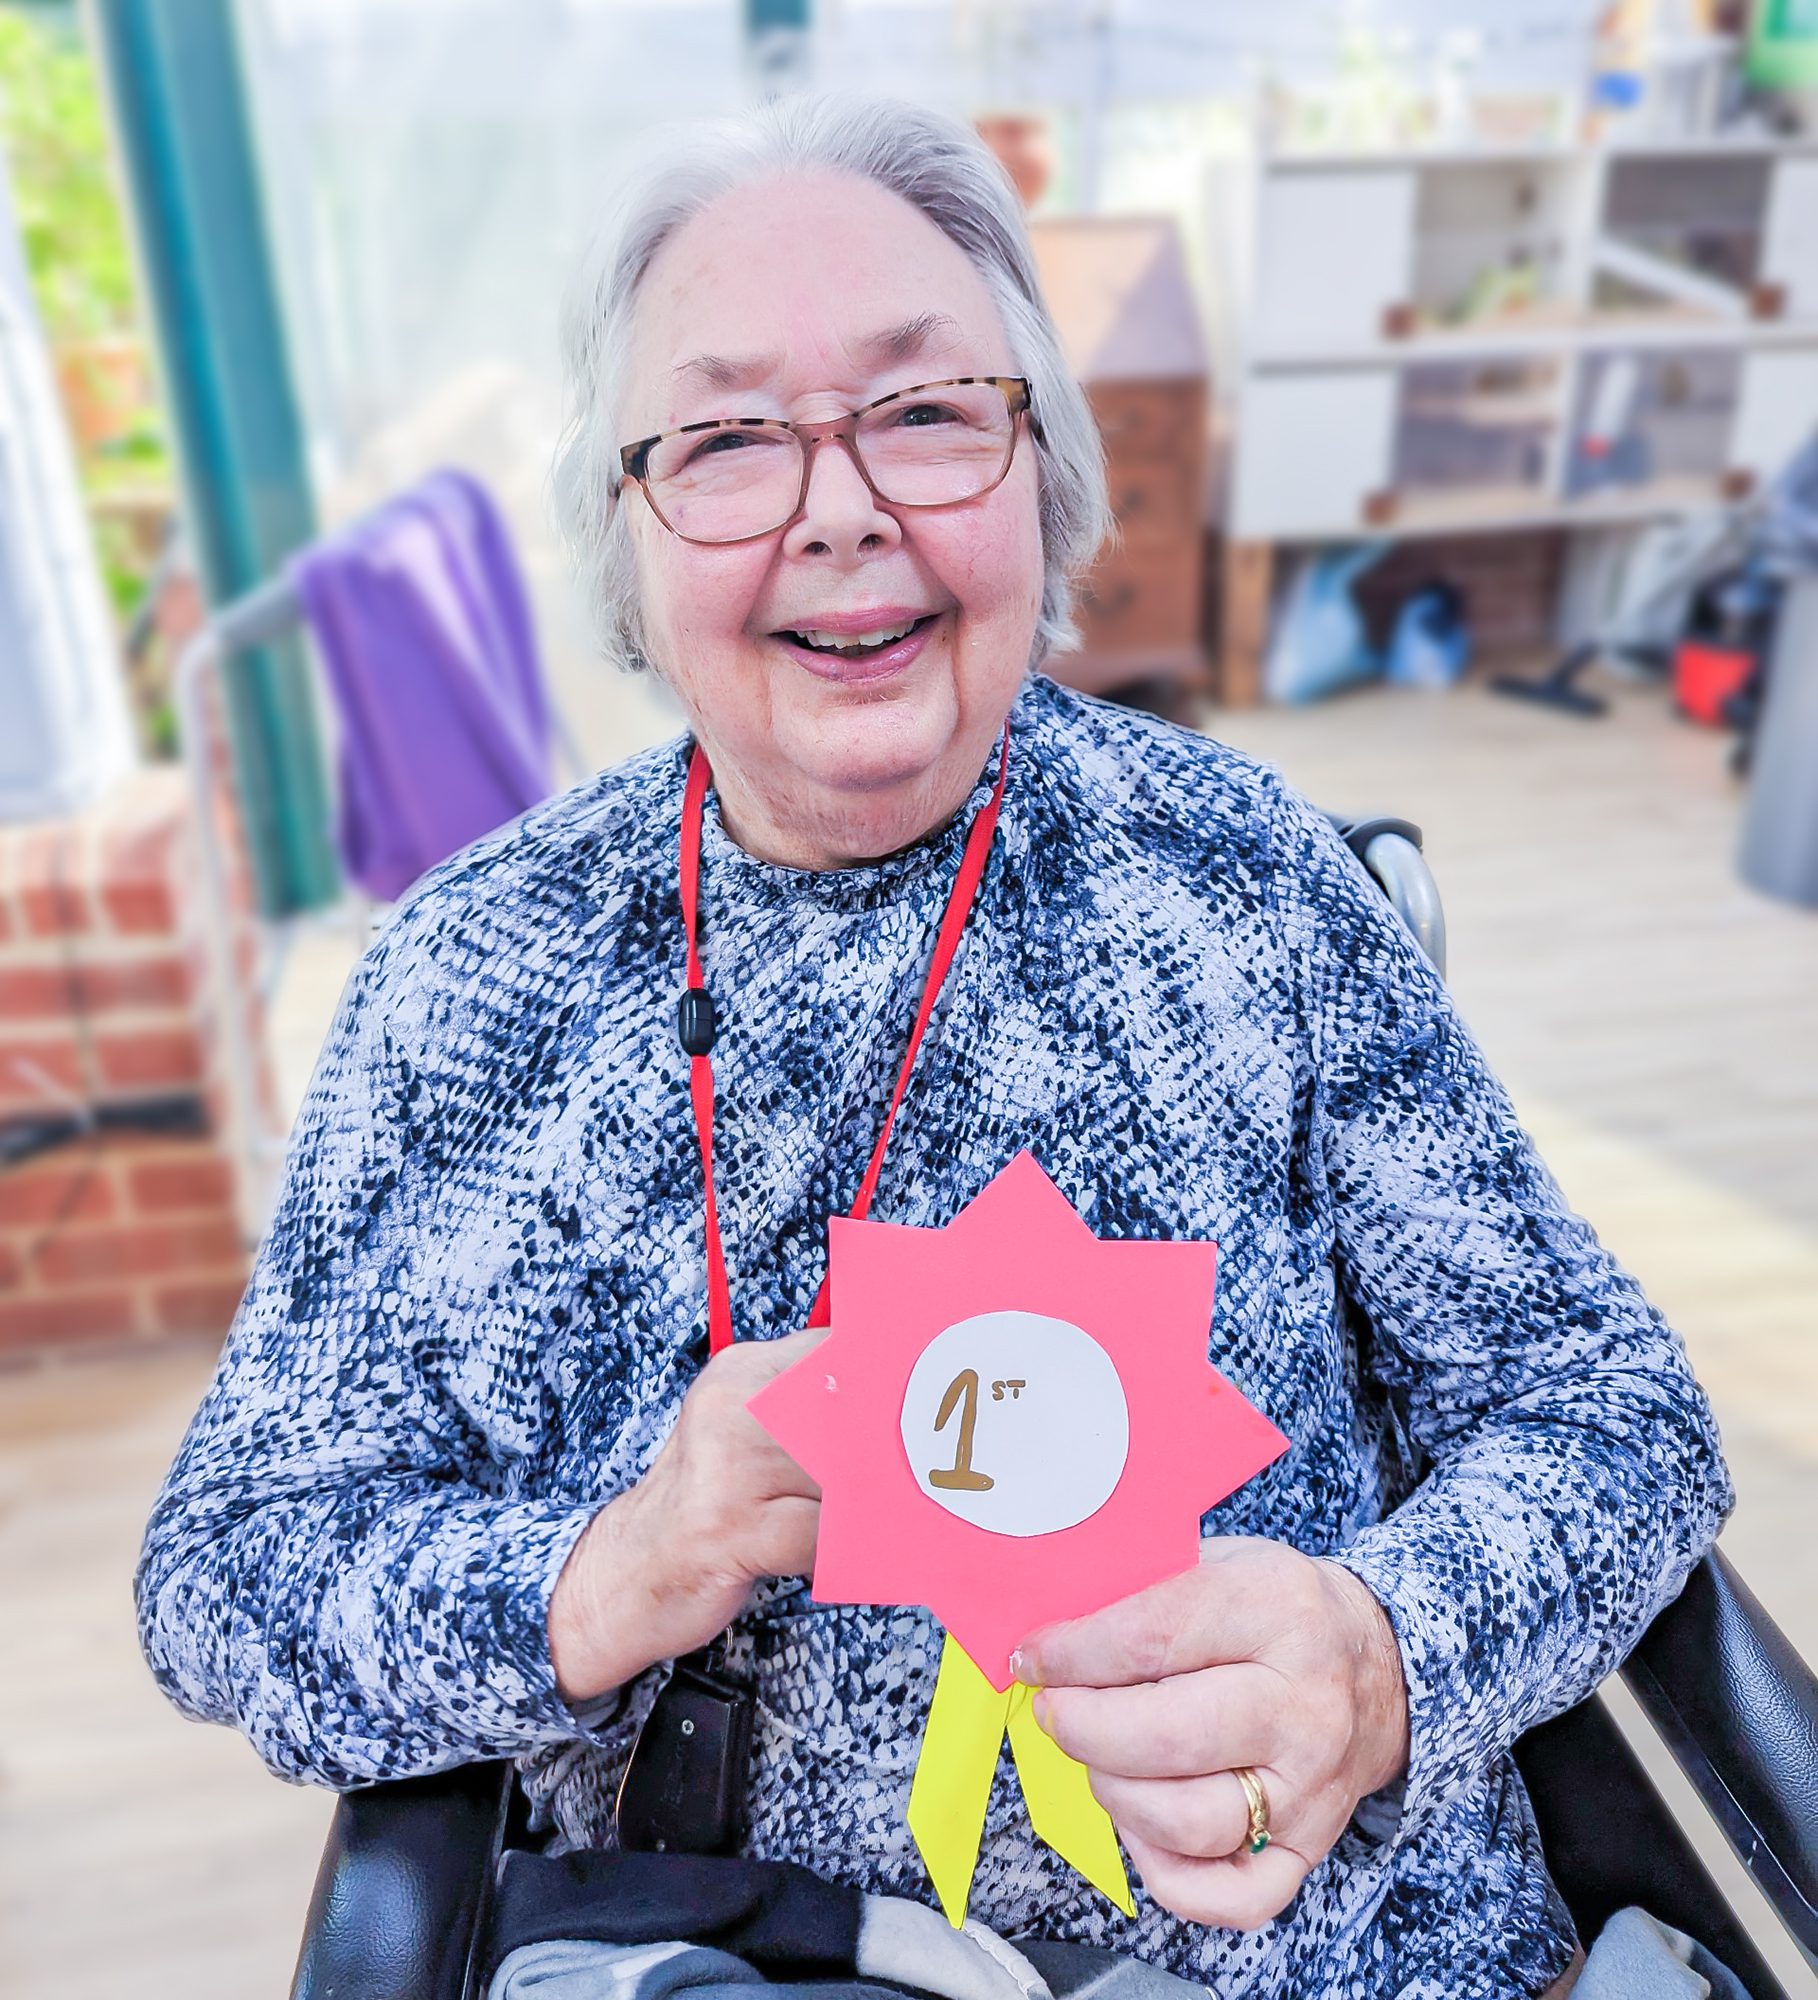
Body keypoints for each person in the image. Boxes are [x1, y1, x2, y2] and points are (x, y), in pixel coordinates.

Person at [137, 93, 1734, 2000]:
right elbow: (227, 1567)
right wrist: (600, 1575)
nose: (839, 507)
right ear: (627, 529)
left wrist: (1381, 1655)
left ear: (1036, 469)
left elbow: (1614, 1407)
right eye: (727, 436)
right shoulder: (477, 981)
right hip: (759, 1956)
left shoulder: (1244, 885)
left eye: (921, 410)